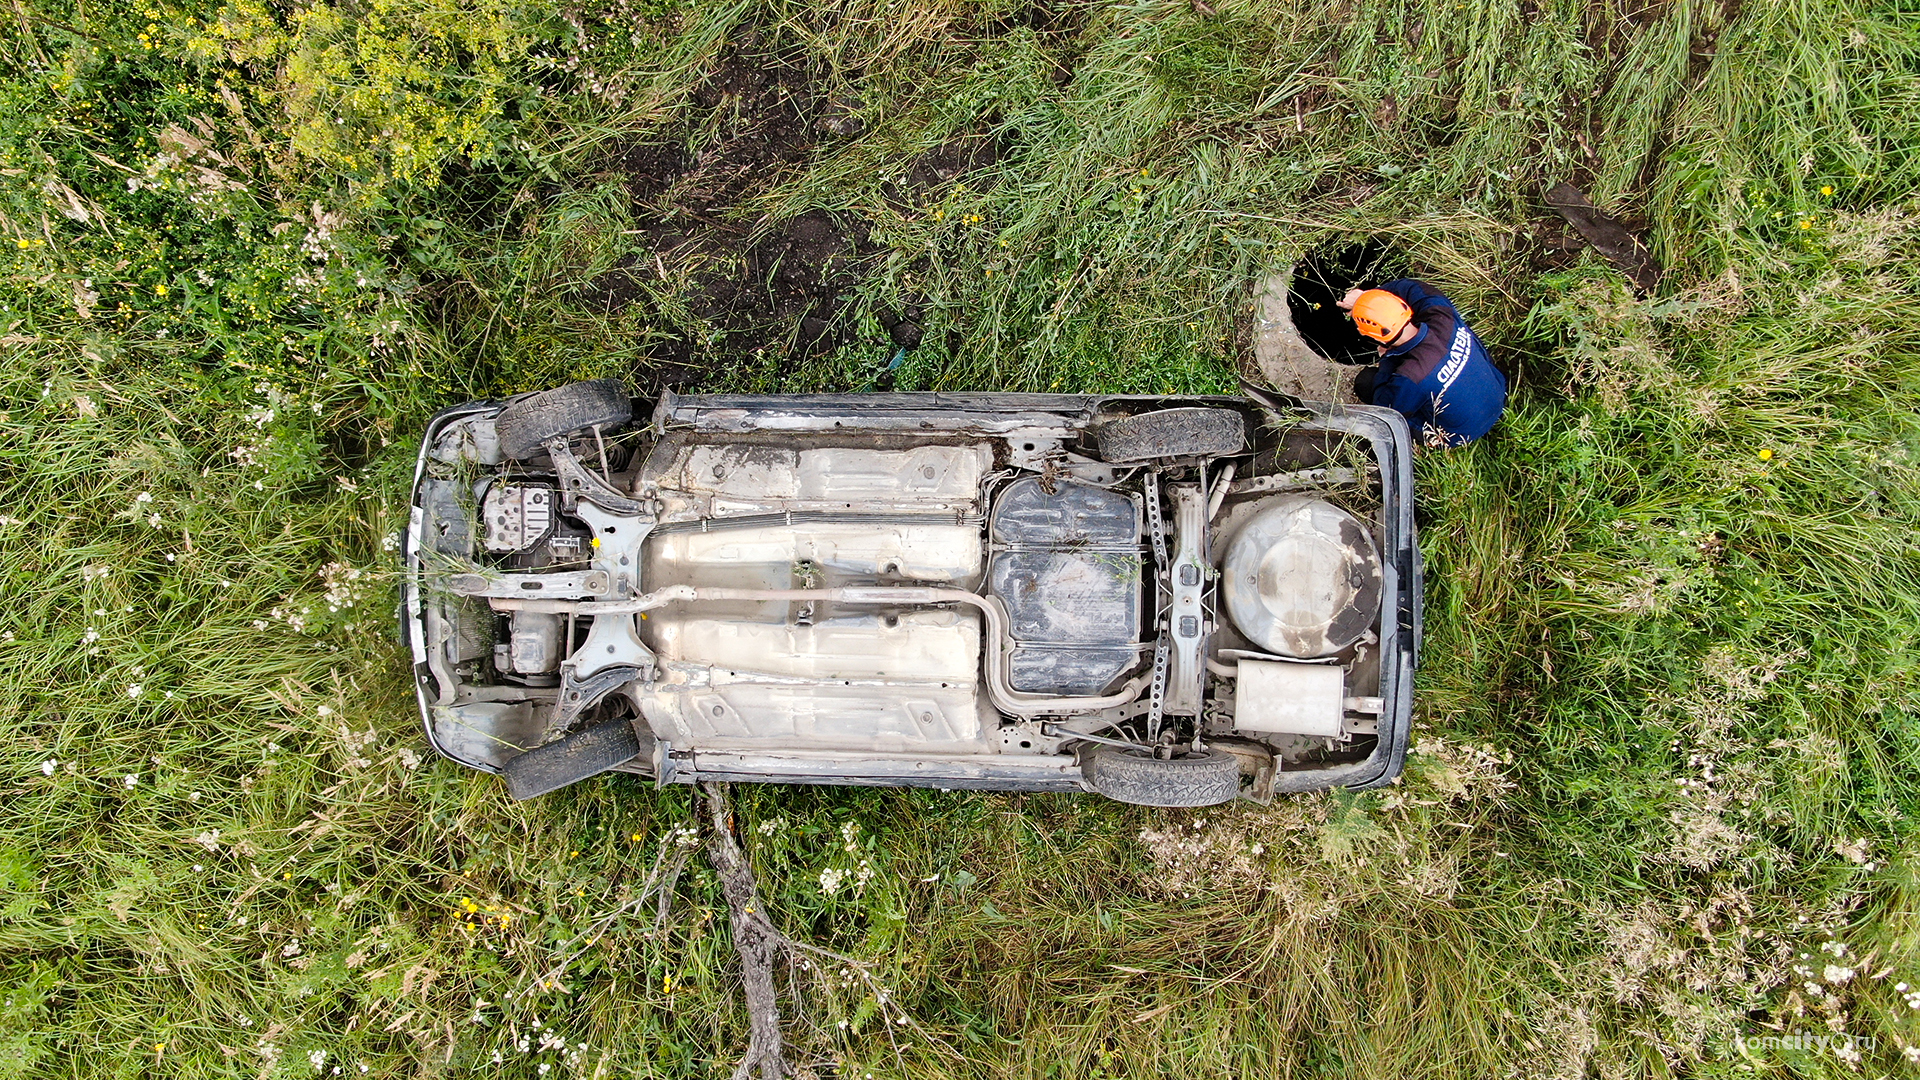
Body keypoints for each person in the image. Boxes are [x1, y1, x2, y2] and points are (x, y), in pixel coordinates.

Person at [1337, 280, 1506, 447]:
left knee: (1366, 383)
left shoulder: (1411, 376)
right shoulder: (1441, 315)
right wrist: (1366, 298)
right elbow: (1411, 287)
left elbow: (1386, 409)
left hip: (1459, 433)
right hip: (1497, 393)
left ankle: (1422, 443)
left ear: (1373, 337)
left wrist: (1387, 359)